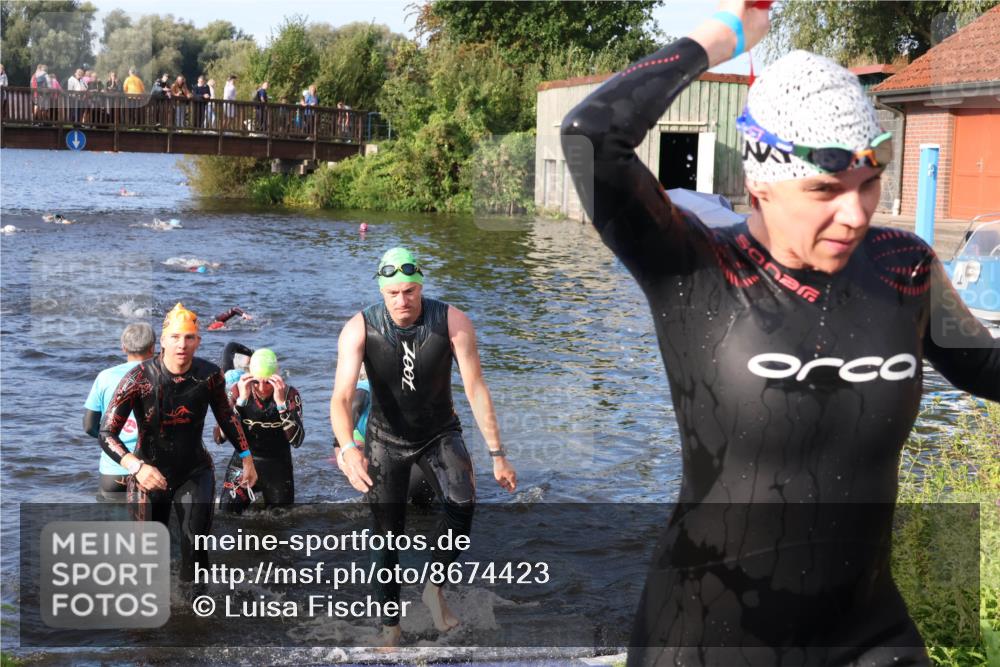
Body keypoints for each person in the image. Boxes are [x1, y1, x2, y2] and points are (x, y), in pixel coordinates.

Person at [560, 2, 1000, 665]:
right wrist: (727, 35)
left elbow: (986, 367)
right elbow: (591, 132)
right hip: (709, 638)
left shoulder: (902, 266)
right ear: (760, 180)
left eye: (870, 182)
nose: (855, 213)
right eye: (826, 188)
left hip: (867, 634)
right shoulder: (695, 267)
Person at [330, 247, 517, 646]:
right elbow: (342, 398)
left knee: (463, 503)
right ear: (382, 292)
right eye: (394, 293)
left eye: (410, 291)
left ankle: (433, 586)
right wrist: (347, 447)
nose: (403, 300)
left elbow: (475, 388)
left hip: (439, 433)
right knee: (385, 538)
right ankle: (390, 628)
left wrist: (498, 455)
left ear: (421, 287)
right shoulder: (358, 328)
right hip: (385, 442)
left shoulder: (452, 321)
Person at [98, 303, 256, 582]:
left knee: (196, 547)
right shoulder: (138, 378)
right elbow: (106, 432)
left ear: (198, 341)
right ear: (162, 340)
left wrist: (246, 457)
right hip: (148, 473)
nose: (182, 344)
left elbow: (227, 416)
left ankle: (196, 612)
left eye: (189, 337)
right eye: (175, 337)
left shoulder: (209, 375)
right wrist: (136, 467)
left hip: (195, 471)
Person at [215, 349, 303, 513]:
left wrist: (281, 405)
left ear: (277, 376)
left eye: (268, 382)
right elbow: (219, 438)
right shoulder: (236, 391)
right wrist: (240, 402)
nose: (262, 388)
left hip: (277, 467)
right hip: (243, 464)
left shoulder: (290, 394)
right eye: (256, 382)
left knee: (282, 522)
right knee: (226, 515)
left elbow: (297, 441)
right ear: (249, 376)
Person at [83, 323, 156, 501]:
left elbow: (89, 426)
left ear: (123, 347)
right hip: (152, 471)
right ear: (154, 347)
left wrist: (113, 441)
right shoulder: (161, 375)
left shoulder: (105, 377)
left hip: (113, 471)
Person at [347, 365, 434, 506]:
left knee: (371, 509)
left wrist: (343, 447)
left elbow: (356, 404)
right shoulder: (405, 391)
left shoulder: (366, 386)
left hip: (413, 462)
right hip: (429, 464)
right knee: (422, 515)